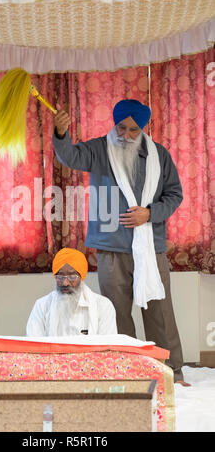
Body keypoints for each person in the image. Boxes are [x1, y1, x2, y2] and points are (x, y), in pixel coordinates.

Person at [52, 99, 190, 386]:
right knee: (116, 312)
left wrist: (149, 213)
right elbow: (69, 157)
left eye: (132, 130)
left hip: (152, 248)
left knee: (159, 313)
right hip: (110, 247)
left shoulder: (159, 156)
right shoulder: (99, 149)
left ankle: (171, 372)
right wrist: (61, 134)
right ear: (114, 124)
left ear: (143, 128)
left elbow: (174, 195)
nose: (125, 135)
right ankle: (128, 370)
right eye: (121, 127)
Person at [26, 248, 117, 336]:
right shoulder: (42, 306)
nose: (65, 283)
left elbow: (108, 346)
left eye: (72, 277)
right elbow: (33, 345)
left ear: (82, 277)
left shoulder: (103, 306)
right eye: (60, 277)